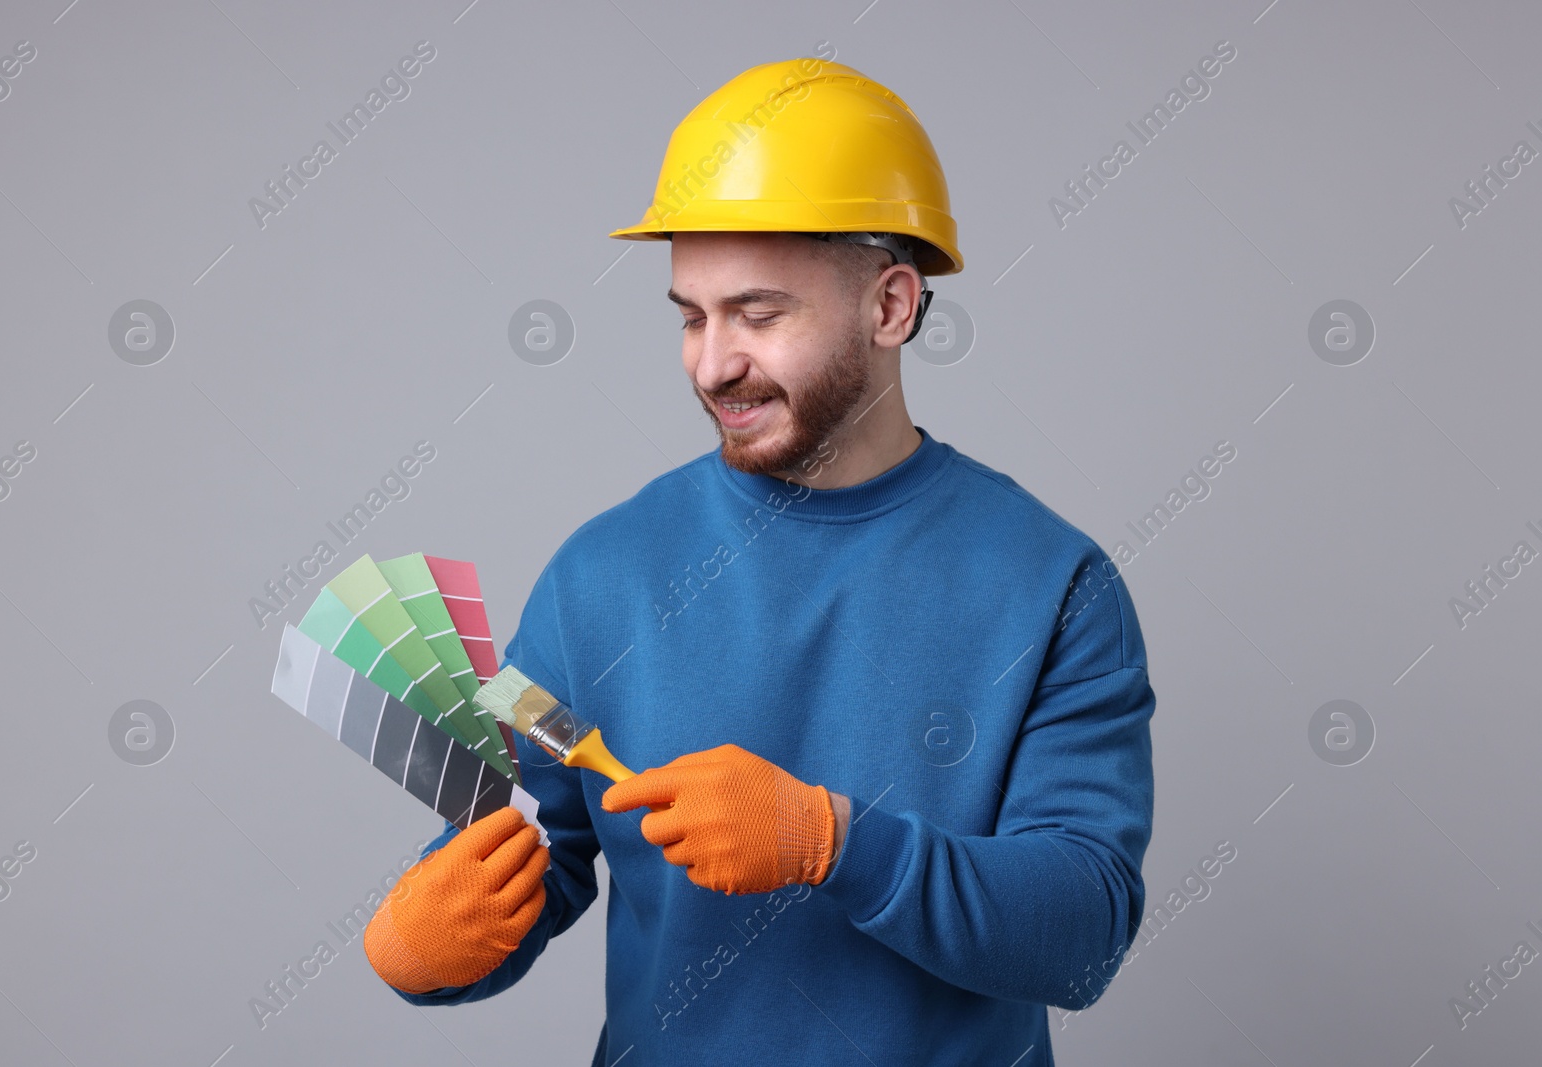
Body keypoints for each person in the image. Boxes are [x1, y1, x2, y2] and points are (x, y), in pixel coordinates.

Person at [362, 57, 1155, 1066]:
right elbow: (525, 859)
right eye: (691, 316)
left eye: (758, 313)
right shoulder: (599, 576)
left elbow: (1080, 937)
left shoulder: (1054, 587)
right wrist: (426, 950)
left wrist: (831, 841)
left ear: (892, 306)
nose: (712, 362)